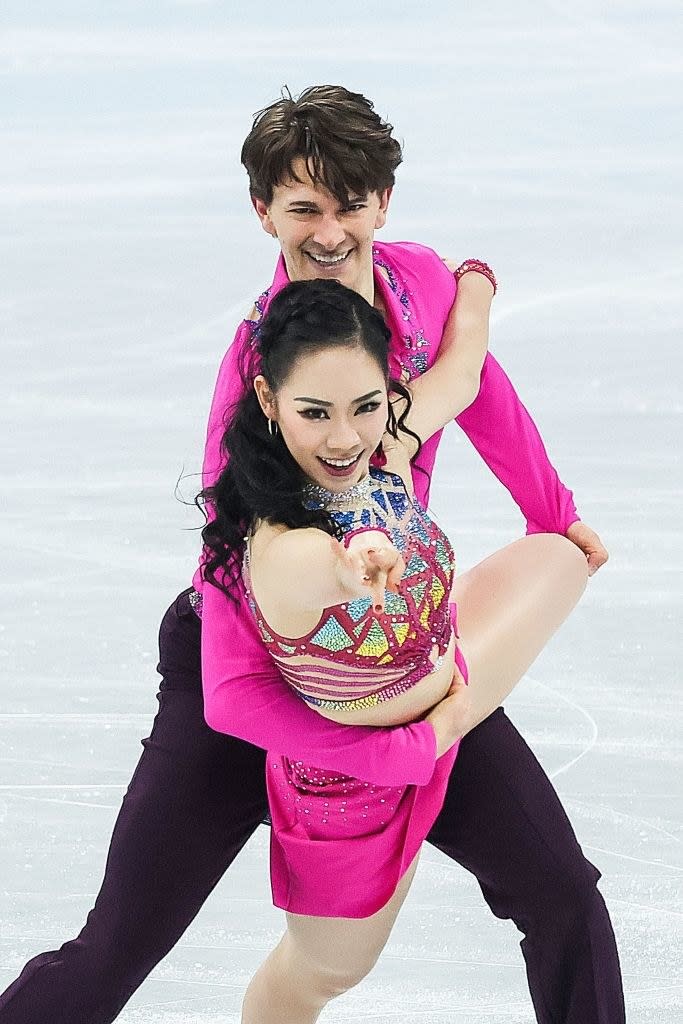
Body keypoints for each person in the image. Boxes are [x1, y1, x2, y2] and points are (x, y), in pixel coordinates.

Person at [0, 86, 624, 1024]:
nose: (328, 231)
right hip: (262, 655)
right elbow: (229, 643)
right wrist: (396, 751)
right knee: (121, 943)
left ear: (381, 203)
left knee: (564, 897)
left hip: (398, 646)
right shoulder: (250, 375)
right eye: (302, 208)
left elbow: (477, 387)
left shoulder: (415, 286)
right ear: (264, 213)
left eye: (347, 205)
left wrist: (554, 511)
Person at [197, 276, 589, 1023]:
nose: (344, 437)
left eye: (365, 406)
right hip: (352, 787)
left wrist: (471, 283)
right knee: (319, 974)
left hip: (453, 693)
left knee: (560, 556)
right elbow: (328, 564)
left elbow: (465, 367)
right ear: (268, 401)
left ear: (388, 395)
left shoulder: (388, 451)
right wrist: (358, 560)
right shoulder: (279, 545)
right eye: (315, 413)